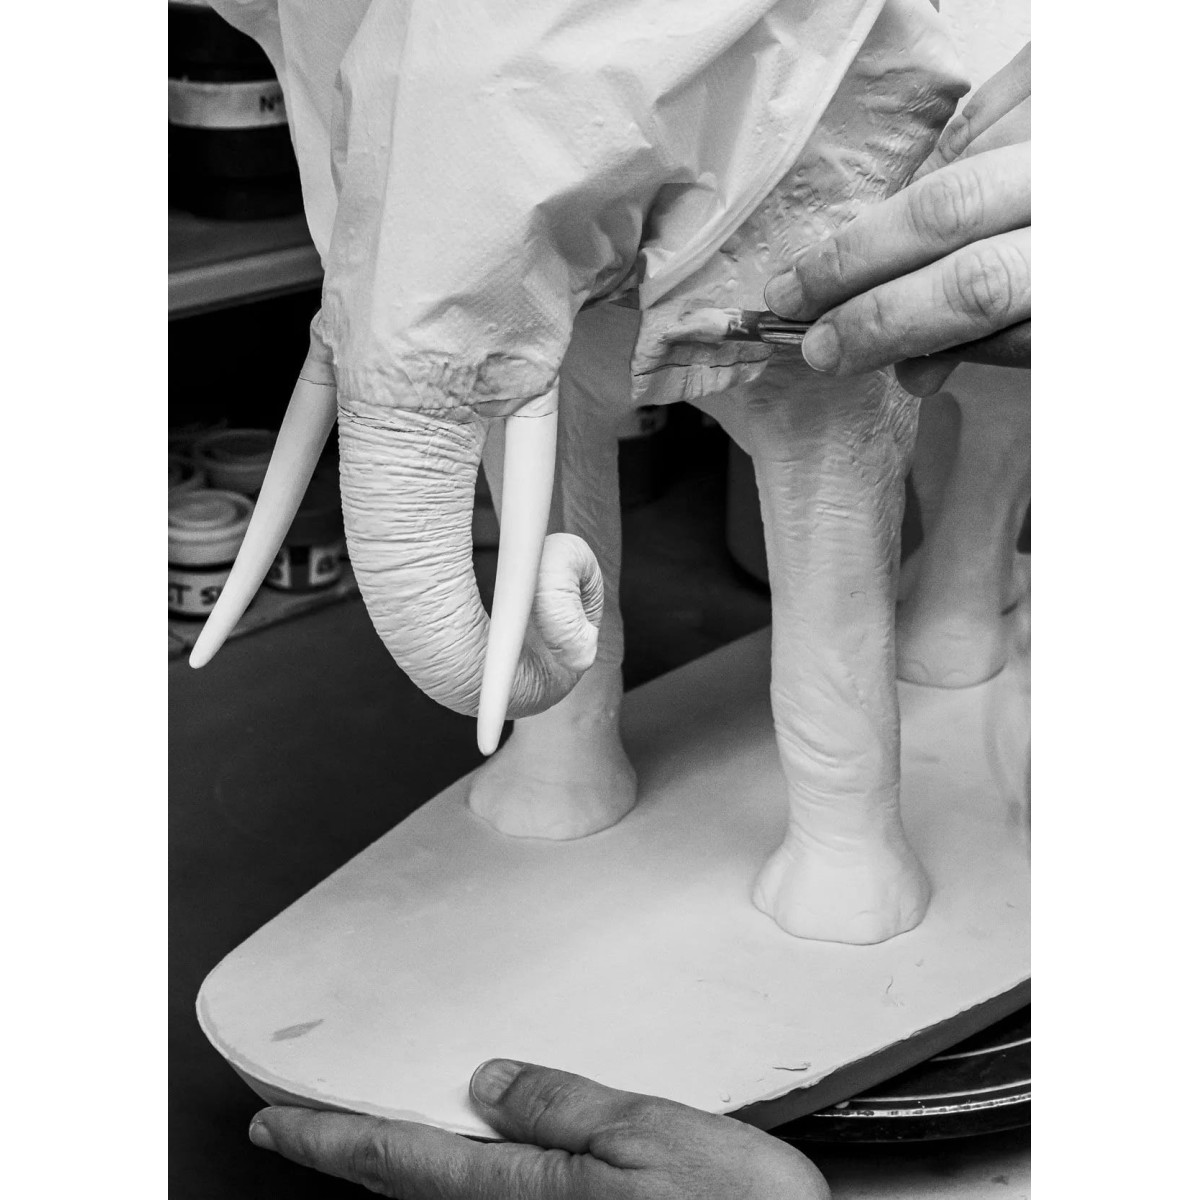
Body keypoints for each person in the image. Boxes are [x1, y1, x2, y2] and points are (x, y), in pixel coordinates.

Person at [245, 44, 1030, 1200]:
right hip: (566, 235)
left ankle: (898, 719)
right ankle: (563, 750)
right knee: (540, 412)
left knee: (935, 418)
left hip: (810, 202)